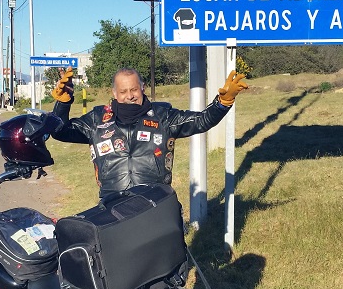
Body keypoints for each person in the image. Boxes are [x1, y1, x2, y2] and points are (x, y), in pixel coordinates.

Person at [50, 66, 248, 201]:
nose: (129, 96)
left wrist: (222, 103)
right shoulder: (97, 119)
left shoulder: (163, 116)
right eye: (123, 91)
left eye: (134, 89)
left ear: (142, 88)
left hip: (155, 203)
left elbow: (201, 121)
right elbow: (60, 131)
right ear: (114, 93)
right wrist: (62, 103)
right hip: (111, 206)